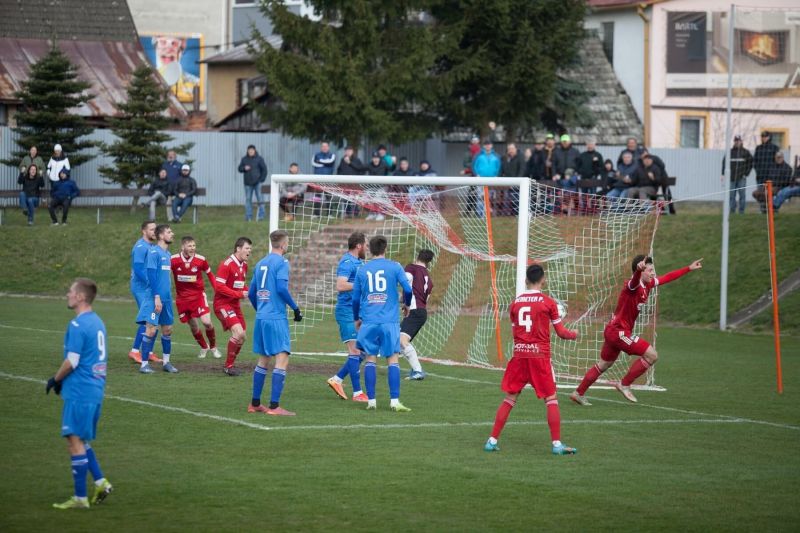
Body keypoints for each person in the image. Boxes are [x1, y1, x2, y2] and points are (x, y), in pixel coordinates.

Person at [571, 255, 703, 405]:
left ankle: (578, 393)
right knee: (652, 355)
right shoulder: (632, 285)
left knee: (604, 364)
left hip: (613, 330)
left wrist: (688, 268)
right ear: (641, 271)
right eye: (650, 270)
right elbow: (633, 282)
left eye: (653, 269)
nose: (653, 273)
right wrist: (637, 272)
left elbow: (667, 277)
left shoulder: (649, 284)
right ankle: (624, 384)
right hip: (619, 332)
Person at [484, 264, 578, 455]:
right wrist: (574, 334)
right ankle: (557, 445)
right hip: (539, 357)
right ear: (543, 279)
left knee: (510, 399)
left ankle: (491, 441)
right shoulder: (548, 303)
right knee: (551, 399)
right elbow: (561, 333)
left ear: (526, 280)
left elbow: (515, 331)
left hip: (519, 355)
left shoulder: (515, 303)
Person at [46, 278, 113, 509]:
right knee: (82, 440)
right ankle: (101, 482)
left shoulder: (77, 325)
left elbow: (72, 360)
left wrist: (55, 379)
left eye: (71, 291)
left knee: (73, 441)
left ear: (81, 297)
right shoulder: (98, 322)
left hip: (80, 391)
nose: (68, 294)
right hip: (95, 390)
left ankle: (80, 498)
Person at [352, 235, 413, 411]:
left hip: (369, 320)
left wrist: (357, 318)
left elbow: (355, 299)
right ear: (385, 249)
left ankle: (371, 401)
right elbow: (408, 289)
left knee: (370, 358)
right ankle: (394, 402)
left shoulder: (362, 270)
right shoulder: (395, 267)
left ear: (369, 249)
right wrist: (406, 304)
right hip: (389, 321)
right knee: (392, 359)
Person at [247, 230, 303, 416]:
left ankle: (255, 403)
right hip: (276, 317)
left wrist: (261, 309)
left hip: (262, 317)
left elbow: (251, 293)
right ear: (283, 244)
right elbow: (281, 288)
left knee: (263, 359)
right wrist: (295, 308)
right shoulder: (282, 262)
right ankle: (274, 406)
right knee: (282, 358)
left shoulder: (261, 262)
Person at [326, 232, 369, 402]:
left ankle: (337, 379)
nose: (366, 247)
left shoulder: (360, 262)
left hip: (357, 312)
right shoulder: (347, 262)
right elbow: (341, 285)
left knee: (364, 351)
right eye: (365, 244)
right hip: (346, 311)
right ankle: (358, 393)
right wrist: (359, 285)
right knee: (355, 350)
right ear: (359, 245)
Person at [136, 224, 179, 374]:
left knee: (167, 330)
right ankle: (144, 364)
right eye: (169, 232)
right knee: (151, 330)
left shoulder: (168, 255)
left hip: (166, 299)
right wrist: (156, 297)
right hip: (154, 298)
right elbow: (152, 277)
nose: (172, 234)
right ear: (161, 236)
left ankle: (166, 363)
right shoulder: (153, 252)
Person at [171, 236, 221, 359]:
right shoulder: (173, 259)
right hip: (182, 299)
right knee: (193, 326)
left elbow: (210, 274)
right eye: (189, 246)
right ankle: (204, 347)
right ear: (183, 247)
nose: (192, 248)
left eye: (194, 245)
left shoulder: (200, 260)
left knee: (207, 322)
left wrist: (217, 290)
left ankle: (213, 347)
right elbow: (164, 273)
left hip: (198, 296)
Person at [213, 237, 252, 376]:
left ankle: (231, 364)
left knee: (242, 337)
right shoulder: (226, 264)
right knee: (238, 333)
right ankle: (228, 367)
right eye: (247, 248)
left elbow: (241, 285)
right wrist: (239, 294)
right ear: (238, 249)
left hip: (234, 305)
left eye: (250, 249)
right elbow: (219, 287)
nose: (249, 251)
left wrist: (251, 292)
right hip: (222, 304)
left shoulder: (244, 265)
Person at [128, 221, 162, 364]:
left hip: (149, 288)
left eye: (155, 229)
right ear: (144, 231)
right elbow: (138, 268)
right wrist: (150, 282)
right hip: (141, 287)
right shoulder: (141, 247)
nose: (154, 232)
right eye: (151, 229)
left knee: (154, 319)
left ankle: (148, 352)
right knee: (149, 318)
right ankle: (135, 351)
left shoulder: (152, 246)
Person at [400, 249, 434, 380]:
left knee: (401, 341)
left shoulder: (411, 268)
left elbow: (405, 281)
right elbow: (426, 298)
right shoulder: (428, 278)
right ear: (429, 262)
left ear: (417, 257)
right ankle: (415, 369)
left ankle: (418, 371)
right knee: (398, 341)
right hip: (421, 311)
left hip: (413, 310)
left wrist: (406, 303)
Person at [722, 135, 753, 214]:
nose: (737, 142)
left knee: (742, 195)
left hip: (741, 178)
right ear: (734, 142)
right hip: (731, 178)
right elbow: (724, 163)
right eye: (736, 140)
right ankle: (732, 211)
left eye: (738, 140)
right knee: (731, 195)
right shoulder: (730, 152)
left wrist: (746, 174)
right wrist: (723, 174)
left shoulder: (746, 152)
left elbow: (750, 163)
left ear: (741, 141)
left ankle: (741, 211)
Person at [238, 145, 269, 222]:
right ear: (247, 151)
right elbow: (239, 169)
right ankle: (248, 217)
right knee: (248, 200)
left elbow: (264, 170)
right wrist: (244, 168)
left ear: (255, 150)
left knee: (260, 199)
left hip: (257, 183)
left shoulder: (259, 159)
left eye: (252, 150)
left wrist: (261, 180)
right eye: (249, 150)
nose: (251, 151)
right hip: (248, 184)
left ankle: (261, 217)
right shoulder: (244, 159)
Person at [472, 139, 501, 217]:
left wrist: (497, 175)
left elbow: (499, 166)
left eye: (489, 144)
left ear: (491, 145)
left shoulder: (496, 156)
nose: (488, 146)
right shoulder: (478, 155)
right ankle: (479, 215)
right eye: (486, 144)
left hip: (492, 180)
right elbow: (473, 165)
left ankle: (489, 215)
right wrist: (476, 174)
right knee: (480, 197)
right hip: (480, 179)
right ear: (484, 146)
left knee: (491, 197)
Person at [753, 131, 779, 213]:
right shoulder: (758, 148)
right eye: (762, 136)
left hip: (771, 177)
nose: (763, 138)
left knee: (770, 194)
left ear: (769, 137)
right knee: (760, 194)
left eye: (765, 136)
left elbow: (777, 161)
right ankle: (762, 210)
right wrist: (758, 171)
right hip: (760, 176)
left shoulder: (775, 148)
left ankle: (772, 210)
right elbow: (755, 161)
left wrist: (773, 173)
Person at [365, 151, 389, 221]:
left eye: (377, 158)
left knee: (378, 196)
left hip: (382, 187)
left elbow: (391, 168)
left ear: (379, 159)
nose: (375, 159)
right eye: (374, 158)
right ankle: (372, 213)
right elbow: (361, 168)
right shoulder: (369, 165)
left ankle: (381, 213)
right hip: (372, 187)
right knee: (366, 195)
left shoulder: (384, 164)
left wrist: (393, 163)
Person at [161, 150, 183, 222]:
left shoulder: (180, 165)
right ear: (167, 156)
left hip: (177, 189)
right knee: (169, 203)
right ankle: (170, 218)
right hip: (168, 189)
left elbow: (182, 176)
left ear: (175, 156)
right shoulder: (164, 165)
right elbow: (162, 175)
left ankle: (178, 217)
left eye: (172, 155)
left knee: (177, 203)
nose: (170, 156)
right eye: (169, 155)